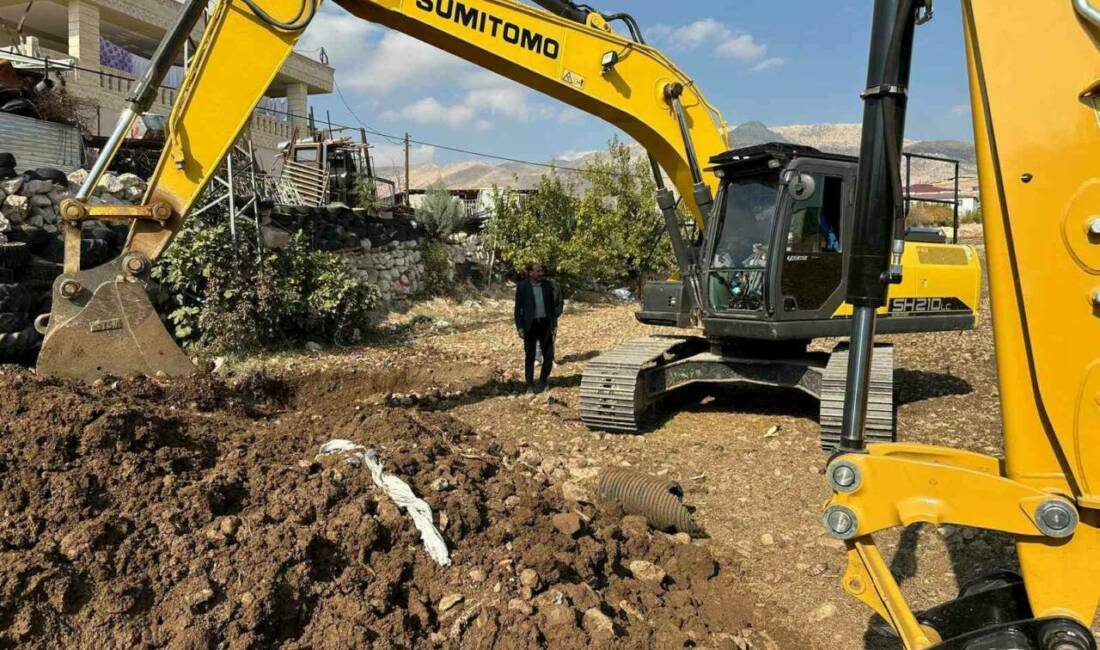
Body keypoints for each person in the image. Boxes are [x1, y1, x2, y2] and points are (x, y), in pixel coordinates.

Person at [514, 263, 564, 394]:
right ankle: (529, 385)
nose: (541, 273)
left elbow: (552, 307)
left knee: (549, 356)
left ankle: (543, 379)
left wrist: (553, 324)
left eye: (541, 271)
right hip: (530, 325)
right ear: (530, 273)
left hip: (545, 324)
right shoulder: (523, 286)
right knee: (530, 356)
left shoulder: (548, 286)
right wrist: (519, 327)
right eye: (537, 271)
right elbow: (518, 308)